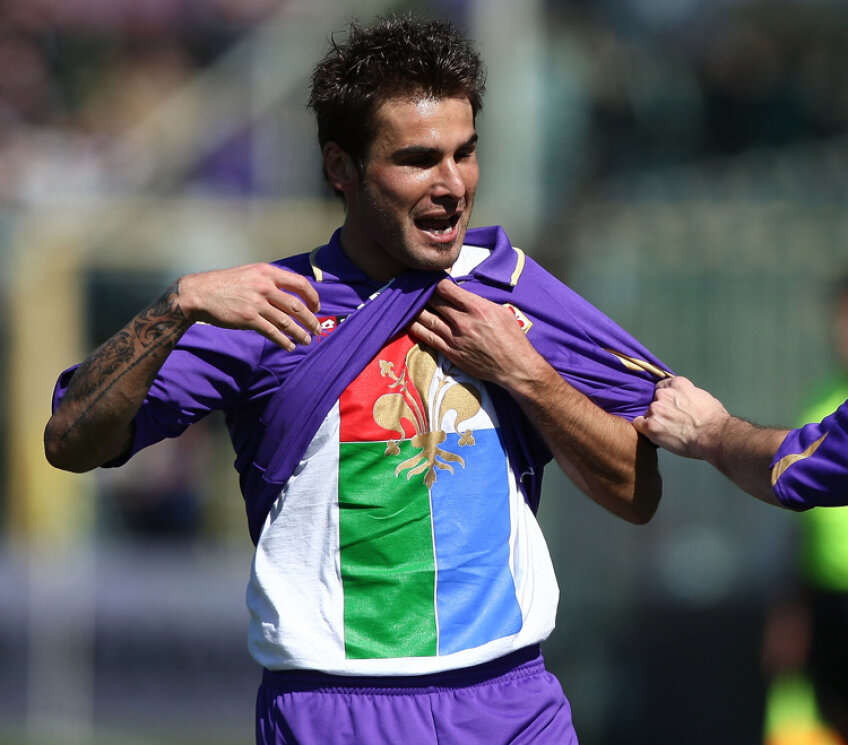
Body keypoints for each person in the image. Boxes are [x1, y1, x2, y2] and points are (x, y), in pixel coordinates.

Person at [45, 14, 671, 745]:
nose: (453, 185)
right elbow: (70, 441)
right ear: (340, 168)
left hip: (513, 703)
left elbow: (637, 494)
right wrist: (176, 306)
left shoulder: (513, 292)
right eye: (418, 159)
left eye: (465, 152)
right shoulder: (269, 306)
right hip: (336, 710)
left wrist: (527, 374)